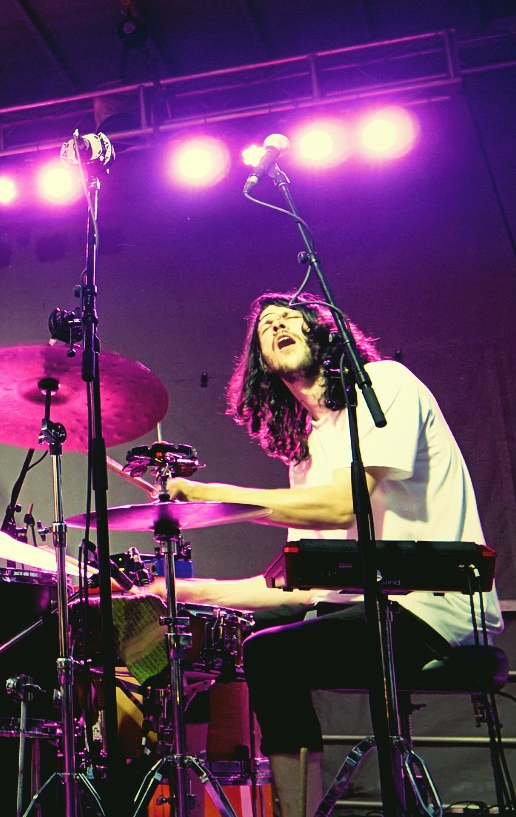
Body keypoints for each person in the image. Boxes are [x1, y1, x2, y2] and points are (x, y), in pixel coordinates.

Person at [157, 292, 503, 817]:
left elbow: (344, 505)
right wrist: (185, 592)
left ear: (323, 330)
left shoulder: (382, 385)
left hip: (432, 608)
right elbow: (305, 584)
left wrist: (212, 498)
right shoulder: (307, 453)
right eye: (265, 326)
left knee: (271, 653)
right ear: (261, 364)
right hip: (365, 606)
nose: (278, 325)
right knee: (252, 636)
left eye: (290, 316)